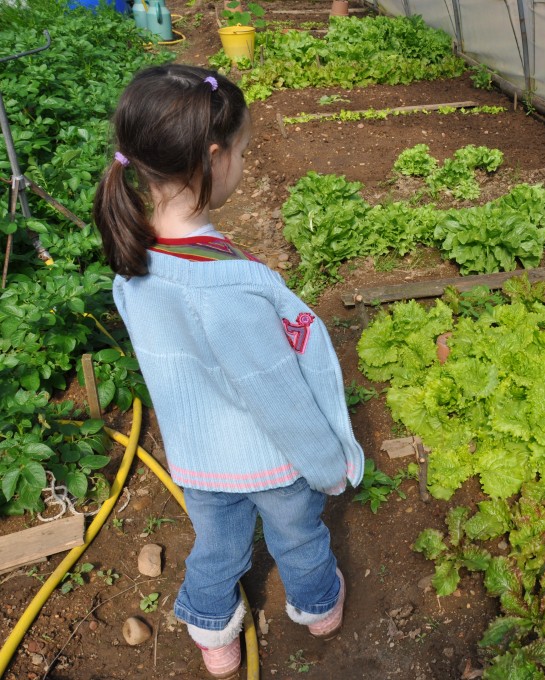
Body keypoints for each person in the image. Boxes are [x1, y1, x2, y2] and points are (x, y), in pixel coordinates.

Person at [92, 64, 364, 679]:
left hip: (197, 458)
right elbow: (275, 394)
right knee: (296, 534)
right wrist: (325, 465)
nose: (243, 161)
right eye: (243, 150)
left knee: (217, 546)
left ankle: (214, 636)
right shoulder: (228, 290)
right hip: (267, 457)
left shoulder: (136, 266)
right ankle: (319, 608)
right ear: (214, 158)